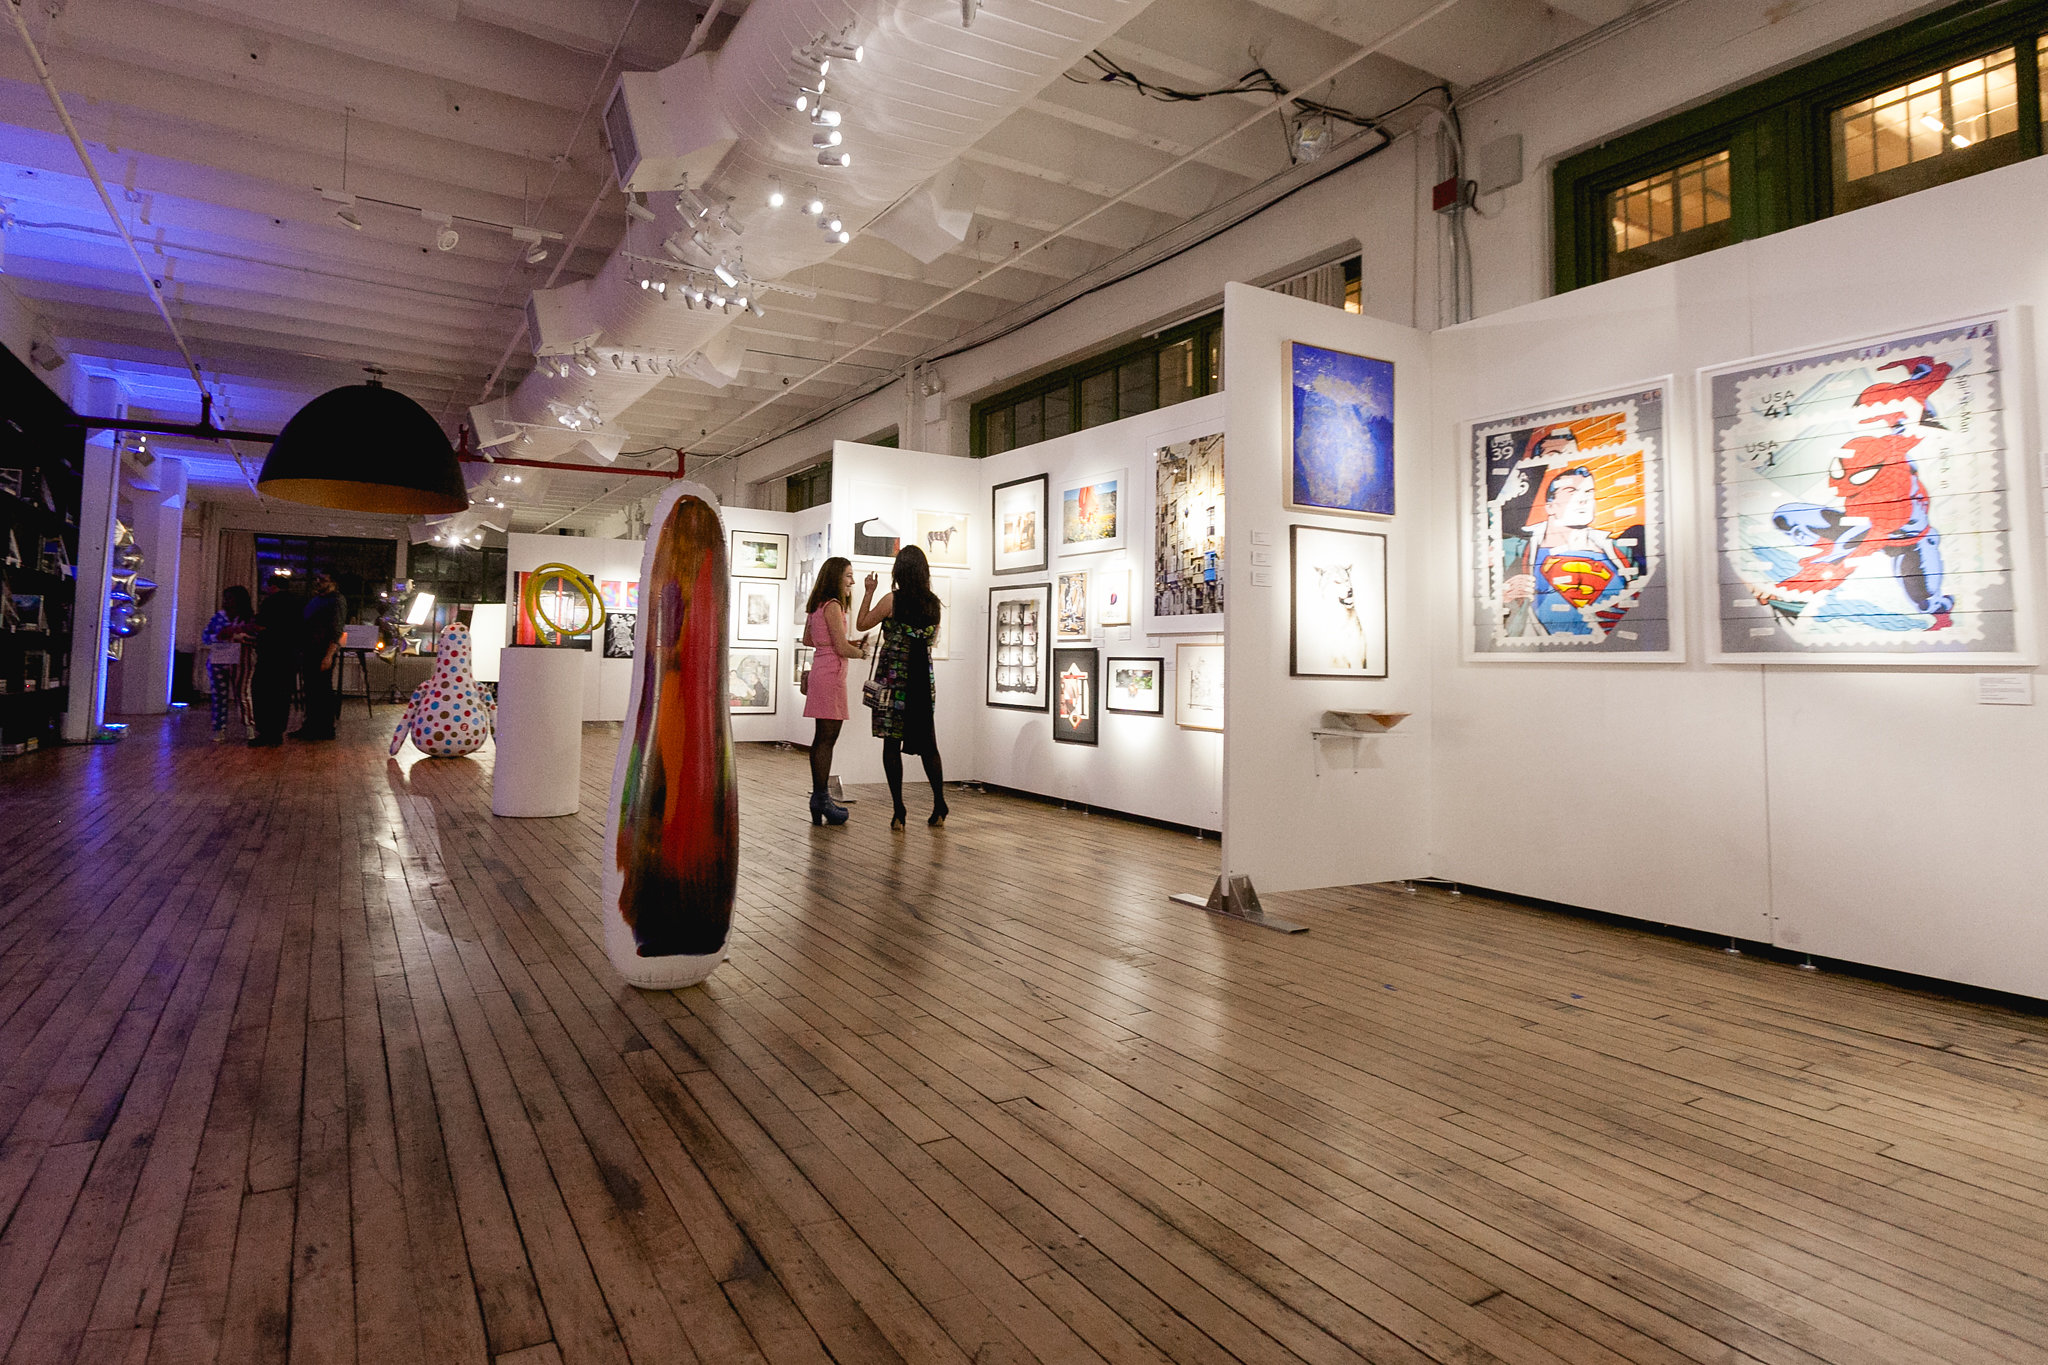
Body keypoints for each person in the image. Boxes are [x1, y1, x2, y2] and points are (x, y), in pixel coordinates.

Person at [856, 545, 947, 831]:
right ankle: (939, 804)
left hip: (894, 678)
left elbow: (862, 624)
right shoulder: (933, 604)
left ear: (899, 571)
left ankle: (899, 810)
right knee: (929, 743)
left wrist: (869, 591)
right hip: (922, 679)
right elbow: (931, 640)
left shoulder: (891, 600)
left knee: (891, 743)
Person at [1500, 454, 1640, 637]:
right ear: (1550, 507)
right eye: (1571, 491)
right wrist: (1503, 596)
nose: (1583, 499)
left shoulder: (1621, 553)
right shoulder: (1513, 551)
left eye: (1589, 492)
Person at [800, 557, 868, 826]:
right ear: (836, 577)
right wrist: (861, 652)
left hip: (821, 671)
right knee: (827, 738)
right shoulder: (833, 605)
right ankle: (821, 798)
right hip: (831, 675)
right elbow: (841, 648)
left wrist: (843, 643)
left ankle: (820, 798)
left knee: (822, 737)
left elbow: (809, 639)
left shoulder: (817, 605)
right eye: (848, 575)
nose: (852, 581)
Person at [248, 576, 302, 747]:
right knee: (282, 695)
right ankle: (277, 731)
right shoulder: (297, 603)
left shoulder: (271, 602)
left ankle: (266, 731)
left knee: (263, 692)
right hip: (290, 655)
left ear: (272, 587)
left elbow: (261, 625)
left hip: (271, 654)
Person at [294, 569, 347, 741]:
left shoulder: (337, 600)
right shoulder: (316, 599)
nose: (318, 582)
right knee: (310, 689)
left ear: (333, 583)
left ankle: (324, 728)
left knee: (322, 689)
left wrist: (329, 655)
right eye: (318, 579)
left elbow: (336, 629)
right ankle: (310, 725)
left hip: (322, 650)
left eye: (323, 580)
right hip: (309, 649)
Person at [200, 585, 254, 742]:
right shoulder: (218, 617)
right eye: (226, 598)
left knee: (242, 695)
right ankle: (219, 729)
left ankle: (249, 727)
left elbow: (255, 638)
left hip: (240, 661)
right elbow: (206, 637)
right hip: (218, 660)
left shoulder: (247, 619)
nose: (226, 601)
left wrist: (239, 637)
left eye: (230, 598)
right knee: (218, 697)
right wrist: (219, 637)